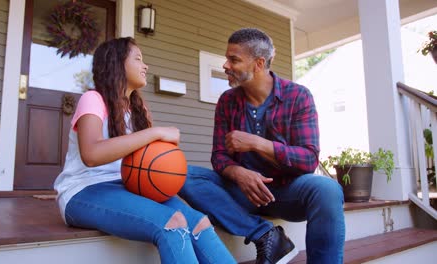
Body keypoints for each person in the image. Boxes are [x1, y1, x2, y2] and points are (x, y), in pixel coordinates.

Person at [54, 37, 236, 264]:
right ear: (117, 63)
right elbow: (91, 155)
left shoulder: (138, 111)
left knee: (199, 222)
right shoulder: (94, 99)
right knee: (172, 223)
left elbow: (149, 161)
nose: (145, 66)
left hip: (128, 186)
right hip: (84, 191)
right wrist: (155, 133)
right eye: (138, 59)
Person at [179, 28, 345, 264]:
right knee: (182, 174)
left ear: (258, 63)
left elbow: (308, 159)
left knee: (327, 189)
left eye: (234, 59)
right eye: (227, 58)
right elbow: (219, 157)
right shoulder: (227, 101)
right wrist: (238, 173)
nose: (226, 65)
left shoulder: (298, 96)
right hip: (240, 193)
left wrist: (257, 143)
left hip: (287, 192)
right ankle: (265, 235)